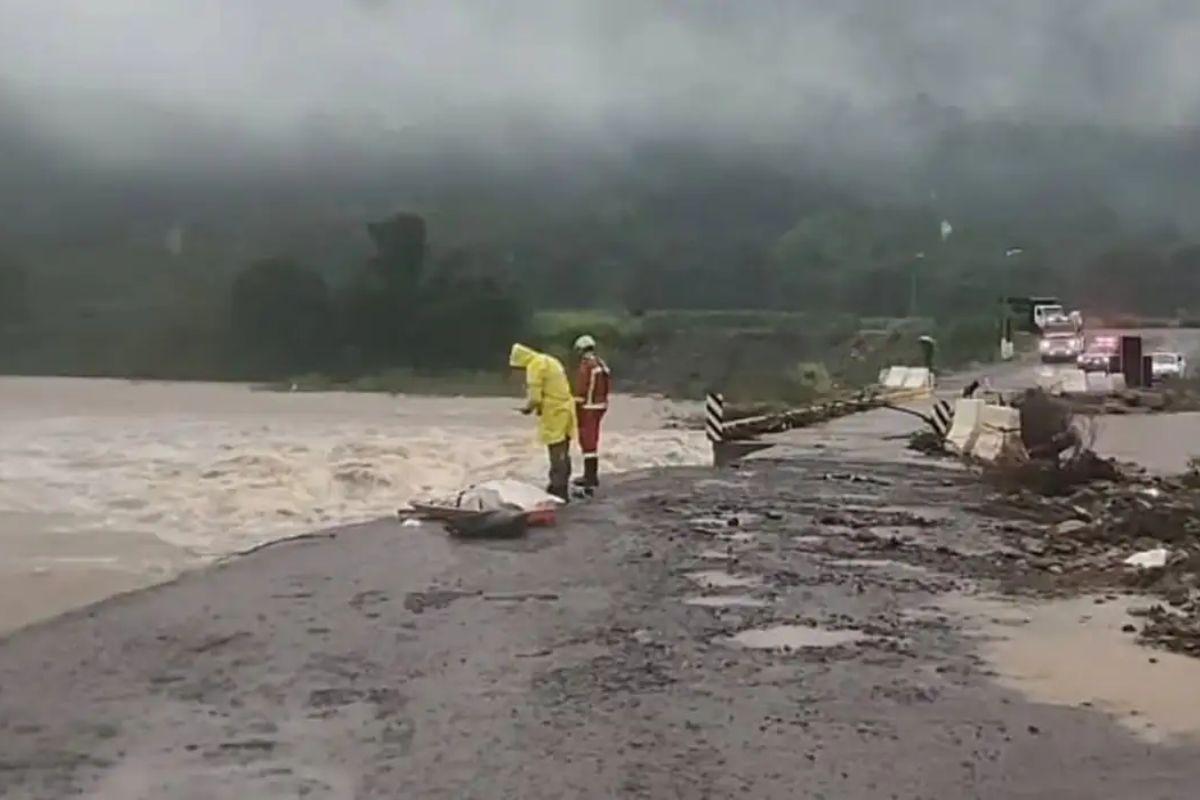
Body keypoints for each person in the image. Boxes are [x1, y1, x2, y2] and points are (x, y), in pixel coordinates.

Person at [509, 343, 576, 501]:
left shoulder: (535, 366)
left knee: (555, 451)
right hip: (566, 410)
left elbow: (535, 397)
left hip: (554, 412)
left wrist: (528, 408)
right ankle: (562, 485)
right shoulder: (549, 360)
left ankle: (558, 489)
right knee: (564, 449)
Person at [571, 334, 611, 490]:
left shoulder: (587, 365)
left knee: (587, 440)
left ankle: (590, 477)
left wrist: (575, 403)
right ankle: (591, 475)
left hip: (588, 407)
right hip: (600, 406)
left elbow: (582, 387)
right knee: (593, 438)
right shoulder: (601, 363)